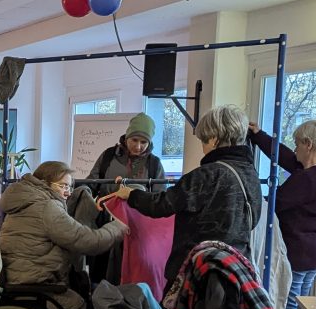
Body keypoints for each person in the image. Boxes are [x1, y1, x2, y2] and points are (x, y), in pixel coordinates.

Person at [112, 104, 262, 289]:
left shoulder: (206, 175)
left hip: (198, 272)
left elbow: (162, 205)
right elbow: (253, 219)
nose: (203, 147)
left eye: (203, 141)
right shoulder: (251, 173)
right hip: (236, 271)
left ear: (214, 139)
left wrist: (132, 194)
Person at [0, 161, 128, 309]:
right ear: (45, 183)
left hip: (19, 282)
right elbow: (89, 242)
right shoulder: (47, 207)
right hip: (38, 289)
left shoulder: (25, 201)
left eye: (69, 187)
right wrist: (119, 226)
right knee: (90, 307)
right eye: (63, 186)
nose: (68, 193)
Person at [248, 119, 316, 309]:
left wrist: (246, 195)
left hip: (299, 253)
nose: (295, 149)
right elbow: (286, 157)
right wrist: (259, 135)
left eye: (297, 144)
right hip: (314, 251)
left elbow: (275, 203)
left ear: (308, 144)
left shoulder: (307, 179)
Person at [87, 112, 166, 195]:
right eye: (134, 140)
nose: (138, 147)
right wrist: (81, 190)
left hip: (138, 204)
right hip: (106, 203)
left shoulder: (154, 164)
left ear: (149, 143)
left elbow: (159, 197)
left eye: (143, 142)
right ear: (126, 138)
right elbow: (90, 185)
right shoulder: (108, 155)